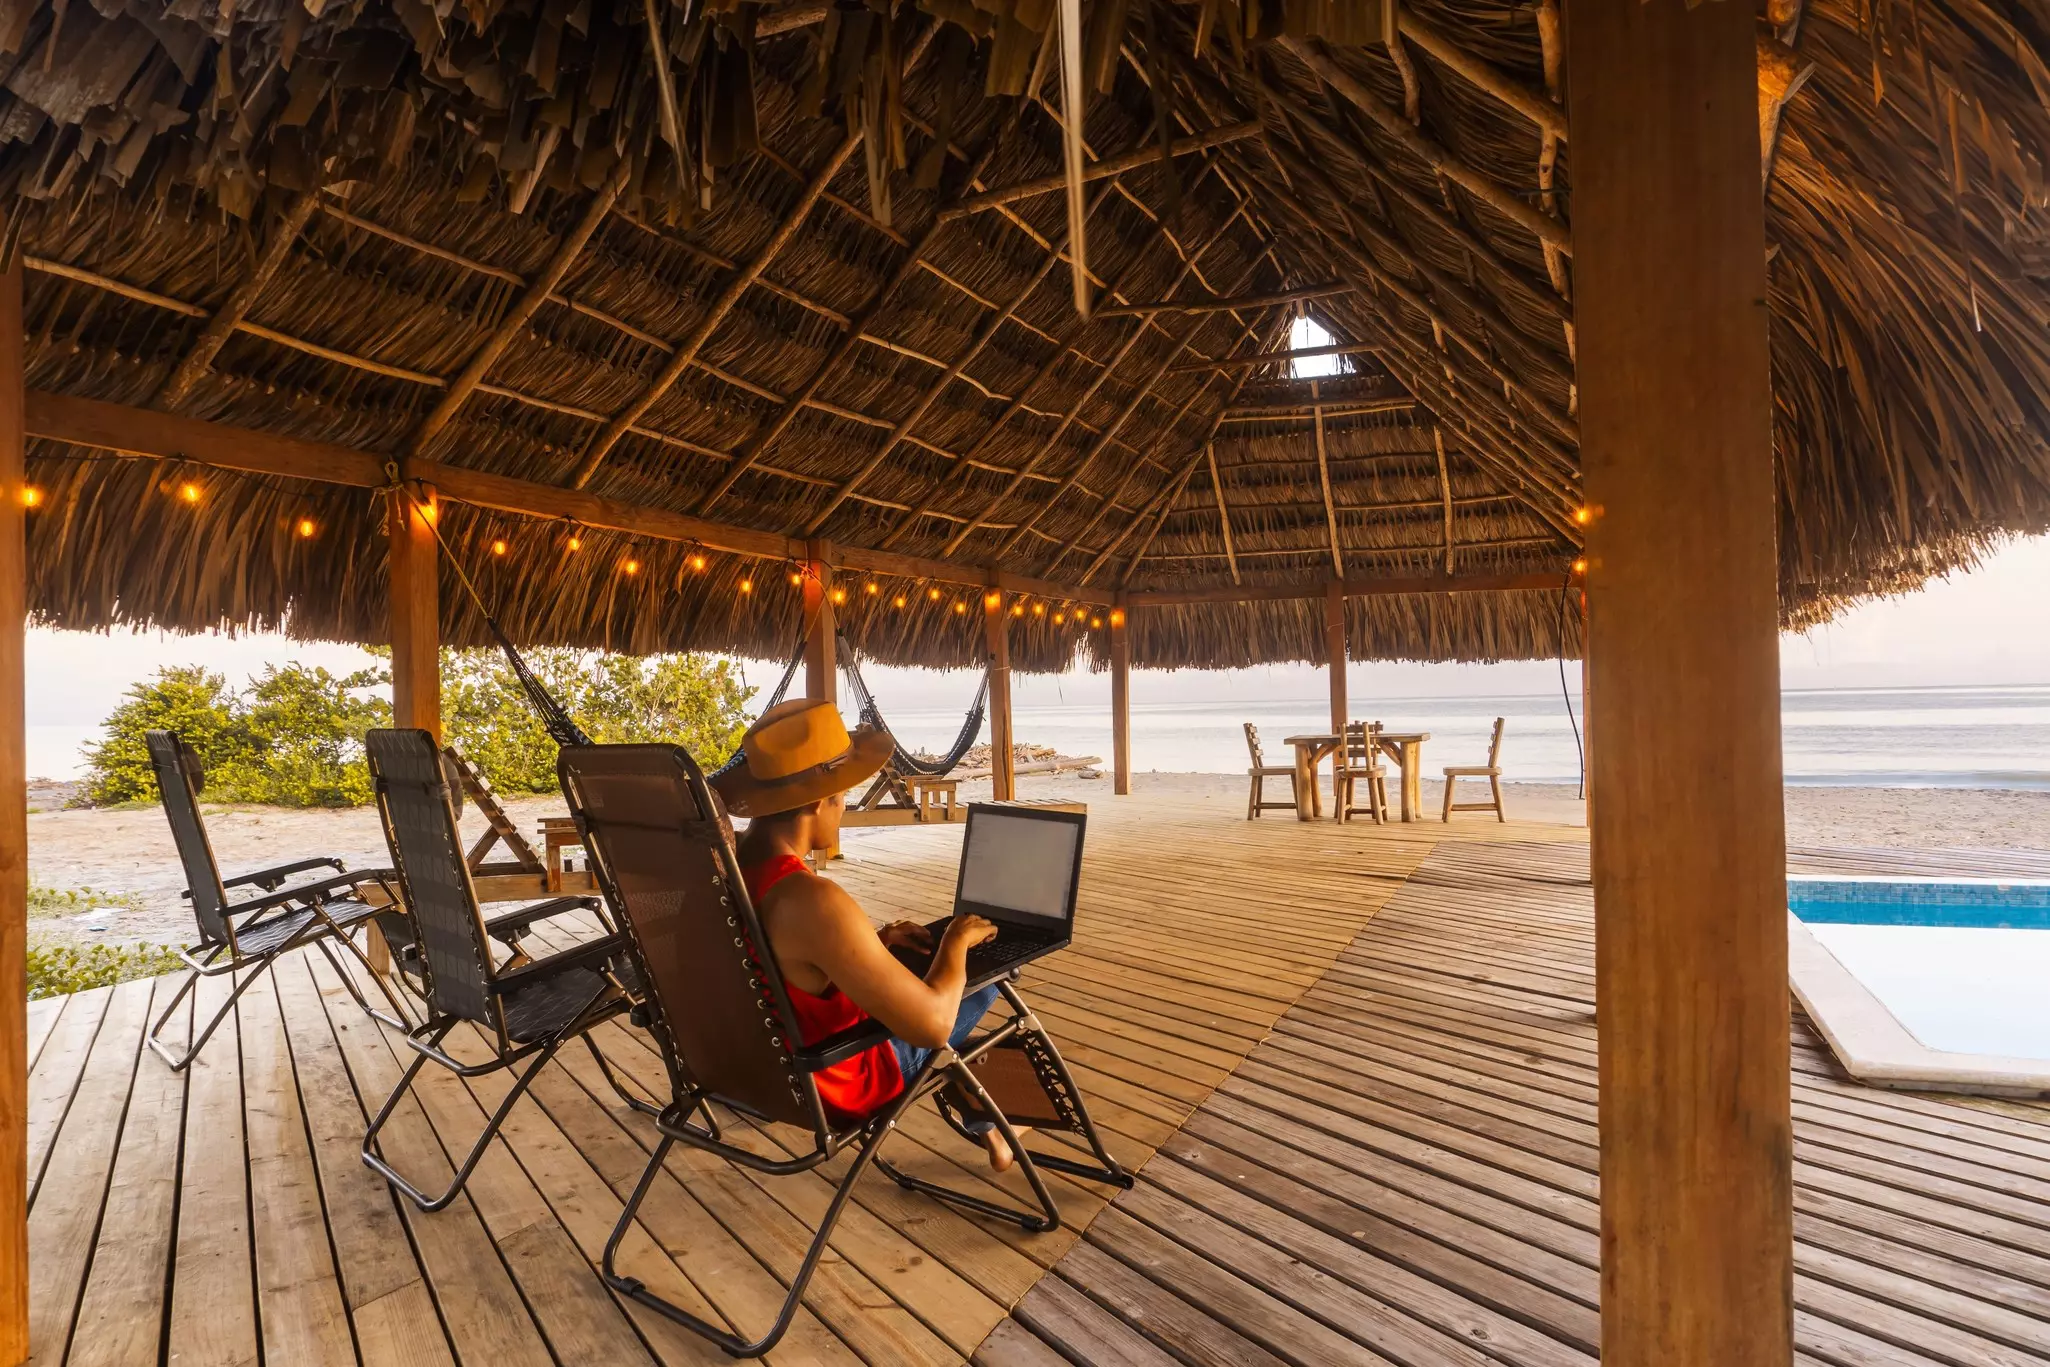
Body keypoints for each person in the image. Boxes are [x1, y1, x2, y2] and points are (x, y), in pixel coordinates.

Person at [711, 697, 1022, 1171]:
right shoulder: (811, 899)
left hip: (756, 1070)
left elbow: (781, 961)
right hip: (834, 1083)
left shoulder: (727, 870)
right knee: (986, 981)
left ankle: (994, 1129)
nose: (844, 807)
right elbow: (932, 1025)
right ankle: (998, 1121)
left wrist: (870, 943)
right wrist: (955, 941)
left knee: (934, 975)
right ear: (820, 801)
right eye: (844, 797)